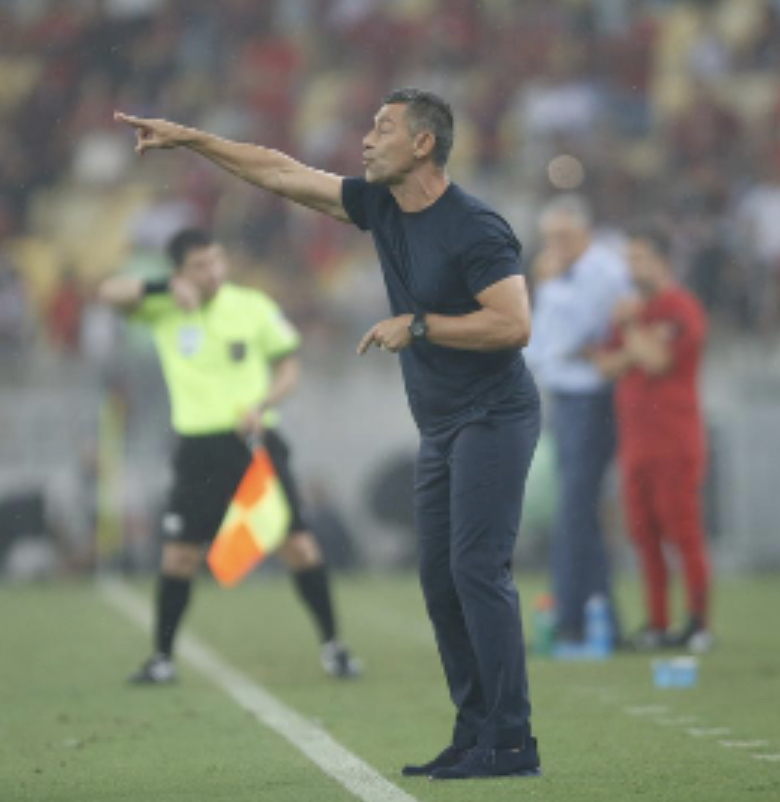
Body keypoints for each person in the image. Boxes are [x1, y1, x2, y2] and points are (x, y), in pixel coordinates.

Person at [116, 87, 542, 781]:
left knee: (475, 570)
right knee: (439, 579)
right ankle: (475, 734)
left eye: (382, 128)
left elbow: (515, 324)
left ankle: (514, 741)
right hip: (440, 424)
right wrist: (191, 138)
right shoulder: (380, 205)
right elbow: (278, 171)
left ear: (423, 144)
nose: (366, 140)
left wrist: (423, 325)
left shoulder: (475, 226)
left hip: (495, 416)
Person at [98, 229, 362, 684]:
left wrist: (264, 405)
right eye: (200, 265)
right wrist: (162, 288)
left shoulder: (251, 306)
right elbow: (107, 292)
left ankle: (334, 647)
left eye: (217, 261)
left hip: (254, 444)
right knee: (179, 556)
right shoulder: (163, 308)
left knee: (298, 545)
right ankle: (162, 659)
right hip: (198, 448)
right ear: (181, 271)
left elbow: (289, 366)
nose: (213, 272)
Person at [592, 223, 714, 654]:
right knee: (643, 535)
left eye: (639, 257)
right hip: (636, 442)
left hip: (675, 439)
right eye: (629, 258)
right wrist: (636, 342)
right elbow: (604, 366)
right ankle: (658, 623)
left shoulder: (681, 307)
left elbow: (658, 361)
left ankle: (699, 622)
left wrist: (630, 333)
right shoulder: (637, 315)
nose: (631, 266)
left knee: (683, 533)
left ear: (662, 261)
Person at [527, 195, 631, 646]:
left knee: (574, 511)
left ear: (586, 232)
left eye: (564, 236)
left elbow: (578, 332)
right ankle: (602, 614)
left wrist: (549, 286)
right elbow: (546, 343)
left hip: (590, 398)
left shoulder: (602, 272)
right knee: (579, 513)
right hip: (564, 394)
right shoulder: (564, 276)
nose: (556, 246)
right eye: (550, 238)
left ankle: (570, 617)